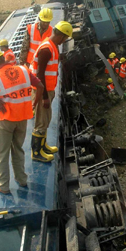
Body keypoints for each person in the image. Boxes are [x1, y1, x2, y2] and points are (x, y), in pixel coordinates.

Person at [0, 49, 44, 194]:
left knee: (2, 153)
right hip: (22, 118)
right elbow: (40, 86)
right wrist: (34, 103)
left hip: (5, 120)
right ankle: (21, 180)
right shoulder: (23, 69)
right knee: (18, 149)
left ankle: (3, 186)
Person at [29, 21, 73, 162]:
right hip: (42, 90)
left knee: (46, 119)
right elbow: (39, 75)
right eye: (65, 38)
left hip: (48, 89)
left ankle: (43, 146)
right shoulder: (46, 49)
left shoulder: (52, 46)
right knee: (41, 122)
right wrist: (44, 98)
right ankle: (36, 153)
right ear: (61, 36)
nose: (64, 41)